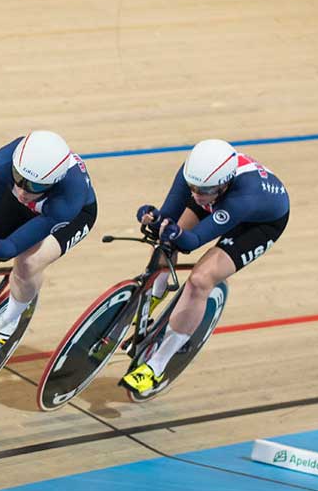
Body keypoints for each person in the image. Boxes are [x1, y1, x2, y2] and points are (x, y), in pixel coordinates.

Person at [121, 139, 290, 395]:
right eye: (192, 187)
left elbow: (193, 241)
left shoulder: (243, 197)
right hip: (220, 200)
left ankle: (157, 366)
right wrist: (154, 218)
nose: (196, 195)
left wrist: (177, 233)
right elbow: (168, 217)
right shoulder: (197, 177)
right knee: (164, 243)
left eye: (204, 190)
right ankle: (154, 298)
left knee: (200, 280)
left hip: (259, 224)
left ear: (225, 183)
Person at [0, 130, 97, 350]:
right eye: (18, 179)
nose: (22, 191)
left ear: (53, 182)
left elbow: (11, 247)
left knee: (27, 263)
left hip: (73, 216)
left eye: (34, 186)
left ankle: (11, 319)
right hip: (25, 207)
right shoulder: (4, 162)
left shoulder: (69, 195)